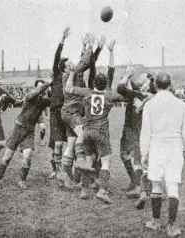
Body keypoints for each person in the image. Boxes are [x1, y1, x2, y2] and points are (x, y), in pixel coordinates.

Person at [64, 40, 124, 203]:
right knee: (106, 161)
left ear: (94, 83)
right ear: (106, 84)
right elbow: (120, 88)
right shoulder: (110, 95)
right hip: (101, 132)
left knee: (89, 160)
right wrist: (111, 52)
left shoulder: (87, 93)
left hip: (87, 131)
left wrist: (70, 73)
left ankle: (84, 190)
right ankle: (102, 191)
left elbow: (68, 88)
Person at [140, 72, 185, 237]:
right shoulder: (181, 104)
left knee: (156, 185)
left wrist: (143, 153)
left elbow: (145, 132)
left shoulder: (150, 104)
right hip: (175, 147)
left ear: (155, 85)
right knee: (173, 186)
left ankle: (155, 221)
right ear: (170, 85)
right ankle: (171, 226)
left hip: (156, 147)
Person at [57, 33, 105, 189]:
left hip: (70, 112)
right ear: (65, 68)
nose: (73, 64)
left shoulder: (72, 73)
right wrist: (91, 45)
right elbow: (83, 62)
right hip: (72, 113)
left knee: (71, 143)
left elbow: (87, 61)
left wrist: (91, 48)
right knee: (83, 135)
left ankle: (64, 174)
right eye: (70, 63)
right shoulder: (69, 75)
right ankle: (81, 163)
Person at [0, 78, 53, 190]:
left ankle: (22, 181)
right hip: (18, 129)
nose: (41, 90)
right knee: (7, 156)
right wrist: (49, 82)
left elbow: (55, 101)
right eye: (40, 87)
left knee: (27, 156)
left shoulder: (44, 101)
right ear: (36, 88)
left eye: (43, 88)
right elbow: (36, 92)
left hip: (29, 131)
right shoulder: (29, 96)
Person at [117, 64, 156, 197]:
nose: (139, 77)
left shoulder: (144, 94)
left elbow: (122, 88)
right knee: (124, 155)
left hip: (138, 130)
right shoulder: (138, 92)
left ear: (148, 82)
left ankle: (141, 187)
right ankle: (136, 182)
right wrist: (128, 73)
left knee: (138, 160)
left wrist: (128, 75)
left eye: (142, 77)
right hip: (128, 128)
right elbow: (126, 83)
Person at [48, 27, 70, 180]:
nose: (71, 67)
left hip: (67, 112)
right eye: (68, 65)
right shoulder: (57, 75)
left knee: (68, 144)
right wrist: (62, 40)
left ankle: (65, 170)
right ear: (62, 67)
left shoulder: (72, 79)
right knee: (57, 143)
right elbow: (57, 57)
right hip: (56, 113)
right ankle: (56, 170)